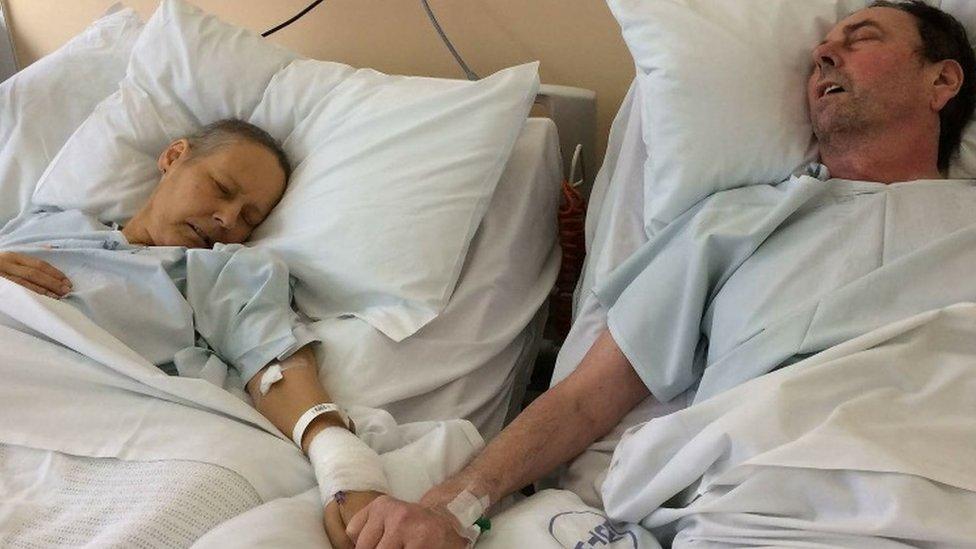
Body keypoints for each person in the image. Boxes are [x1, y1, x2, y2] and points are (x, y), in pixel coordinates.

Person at [342, 2, 976, 547]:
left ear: (942, 79)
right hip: (770, 509)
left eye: (861, 39)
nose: (825, 56)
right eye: (820, 52)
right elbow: (589, 396)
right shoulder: (732, 224)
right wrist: (449, 507)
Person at [0, 119, 380, 547]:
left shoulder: (222, 271)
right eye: (221, 188)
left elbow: (274, 364)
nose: (227, 218)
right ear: (174, 156)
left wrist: (343, 462)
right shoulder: (44, 223)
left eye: (249, 218)